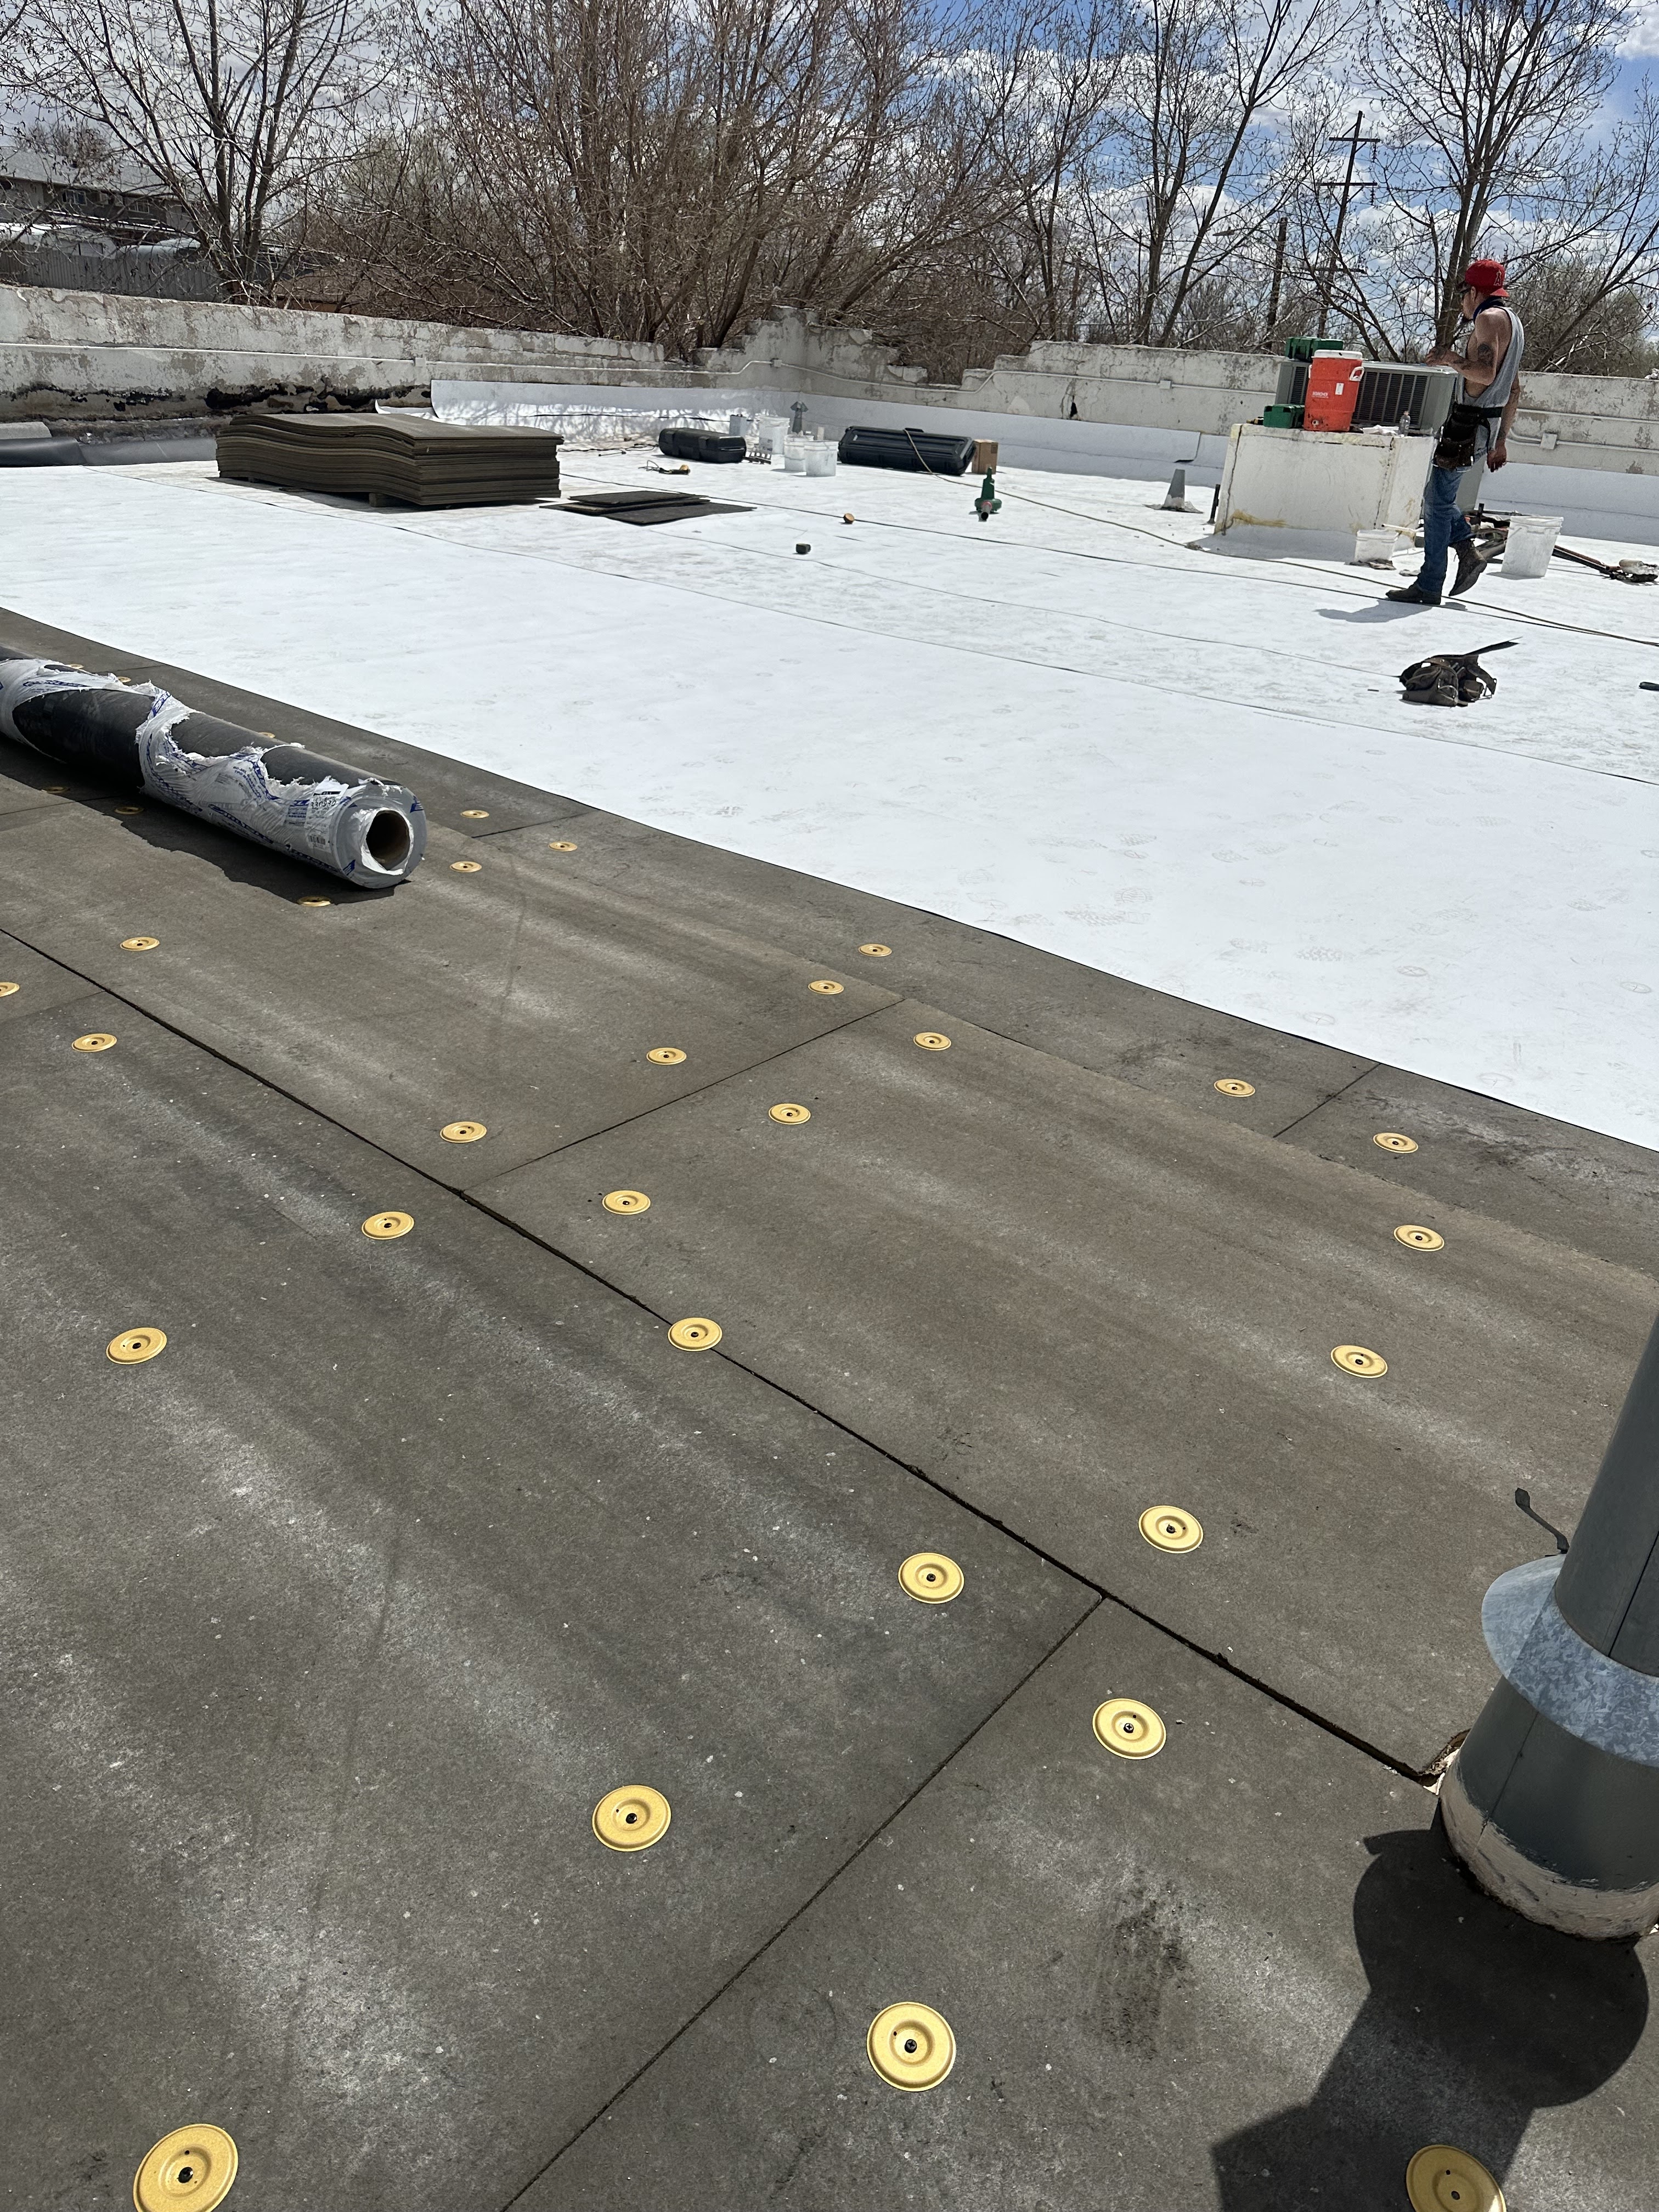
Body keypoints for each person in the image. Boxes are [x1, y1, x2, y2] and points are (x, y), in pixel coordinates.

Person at [1388, 257, 1524, 606]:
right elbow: (1514, 389)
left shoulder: (1488, 318)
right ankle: (1465, 552)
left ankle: (1432, 582)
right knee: (1438, 500)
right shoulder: (1513, 323)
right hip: (1483, 425)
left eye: (1464, 293)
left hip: (1469, 424)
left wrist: (1449, 358)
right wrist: (1501, 441)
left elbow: (1486, 375)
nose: (1463, 301)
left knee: (1436, 505)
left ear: (1474, 292)